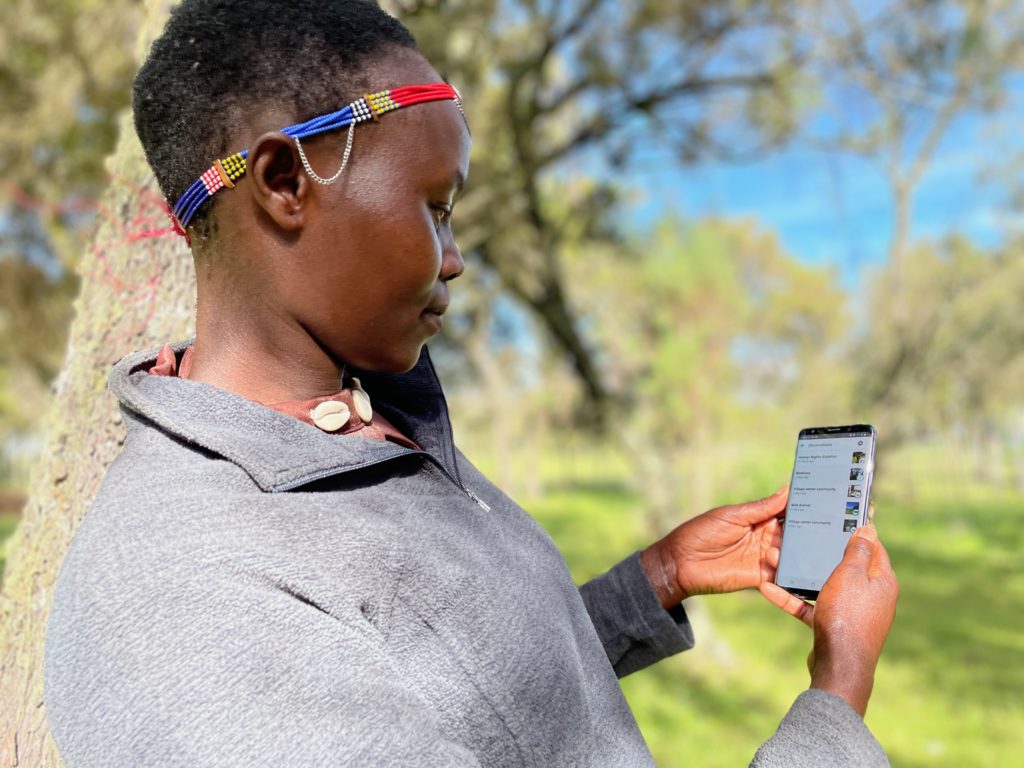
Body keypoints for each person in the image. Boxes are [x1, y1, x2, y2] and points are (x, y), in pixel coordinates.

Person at [43, 1, 898, 765]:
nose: (453, 258)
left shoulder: (366, 421)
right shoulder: (185, 604)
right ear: (284, 182)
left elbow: (470, 705)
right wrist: (838, 698)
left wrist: (657, 579)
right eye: (435, 206)